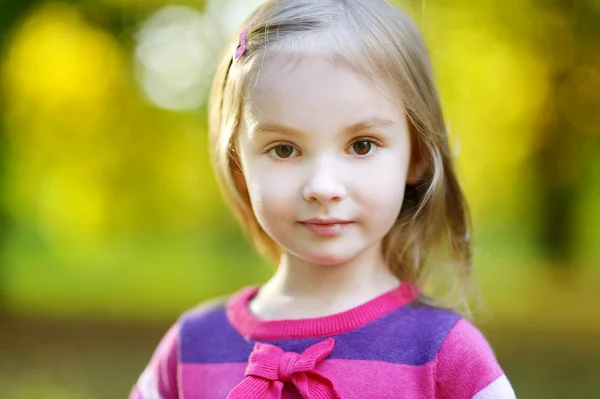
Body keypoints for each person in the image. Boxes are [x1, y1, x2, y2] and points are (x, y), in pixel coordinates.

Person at [130, 0, 517, 397]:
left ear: (416, 157)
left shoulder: (445, 355)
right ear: (239, 166)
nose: (323, 186)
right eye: (284, 149)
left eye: (362, 145)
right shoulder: (192, 347)